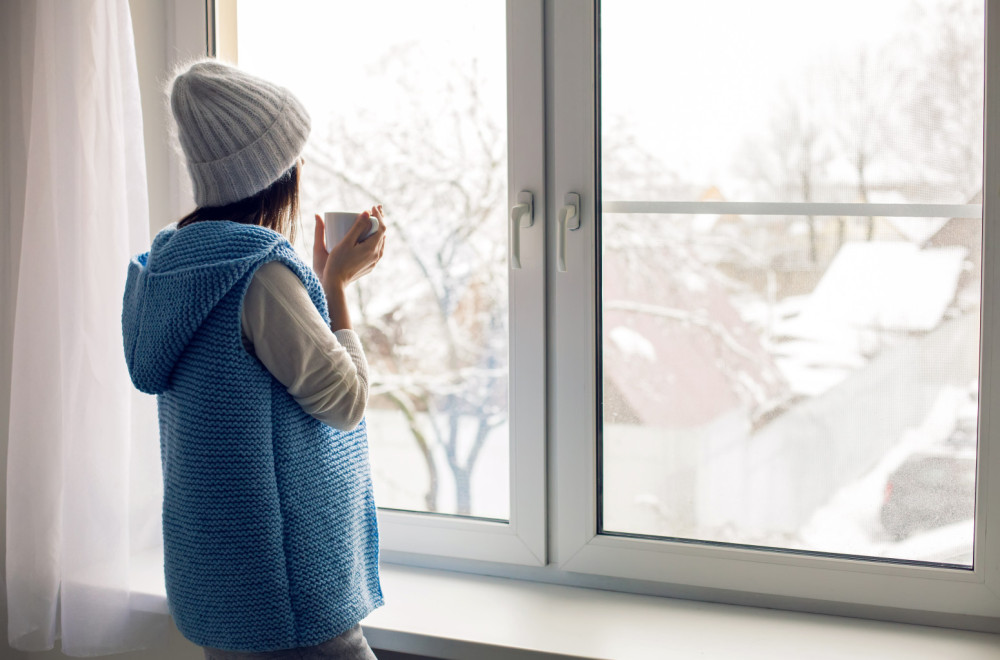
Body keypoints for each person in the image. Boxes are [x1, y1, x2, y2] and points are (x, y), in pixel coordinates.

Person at [121, 59, 386, 659]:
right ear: (271, 173)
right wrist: (337, 285)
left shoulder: (172, 264)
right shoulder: (258, 272)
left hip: (222, 590)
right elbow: (345, 404)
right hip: (289, 594)